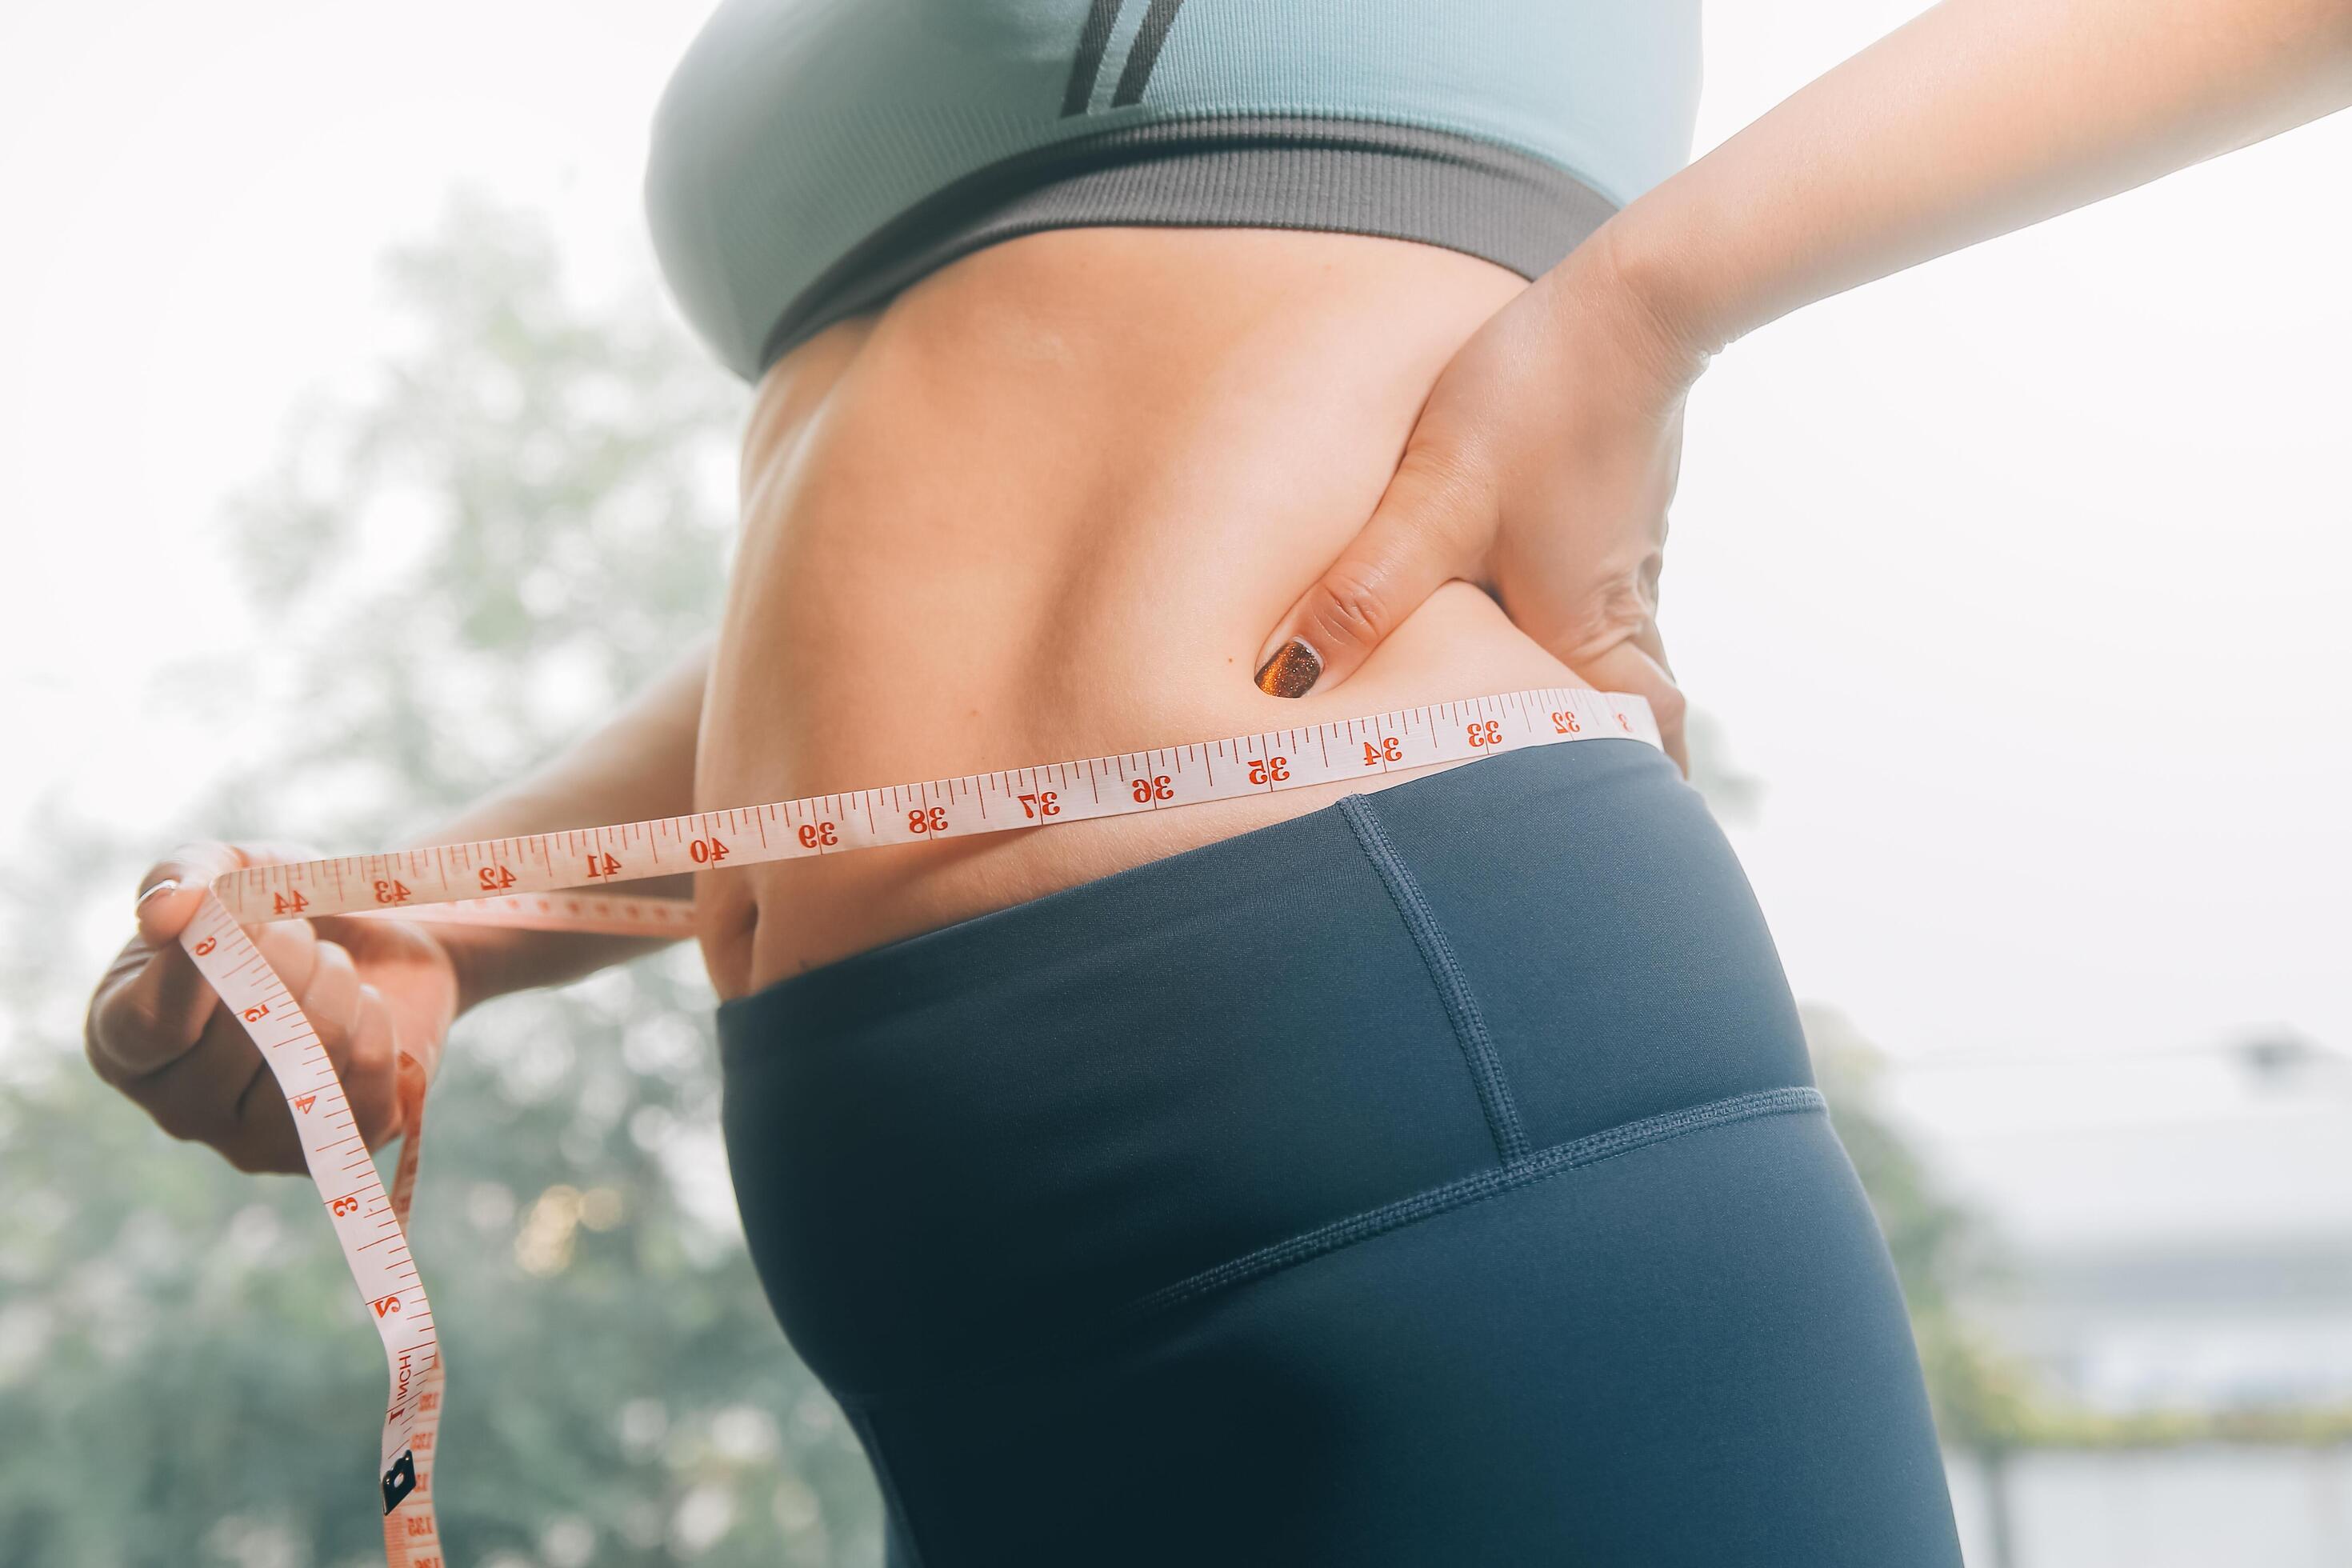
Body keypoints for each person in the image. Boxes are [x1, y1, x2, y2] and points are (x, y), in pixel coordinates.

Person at [85, 1, 2352, 1562]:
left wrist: (1644, 301)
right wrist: (462, 911)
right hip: (917, 1235)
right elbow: (960, 513)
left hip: (1402, 1043)